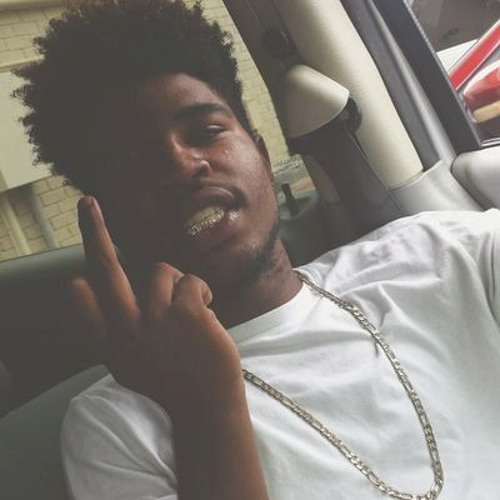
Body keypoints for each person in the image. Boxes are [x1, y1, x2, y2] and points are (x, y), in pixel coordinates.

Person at [15, 0, 500, 499]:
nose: (182, 166)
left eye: (206, 132)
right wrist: (203, 409)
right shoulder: (116, 427)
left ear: (264, 156)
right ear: (109, 218)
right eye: (133, 164)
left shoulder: (445, 253)